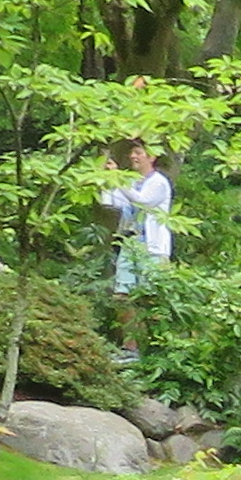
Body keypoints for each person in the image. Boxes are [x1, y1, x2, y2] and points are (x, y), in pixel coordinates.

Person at [102, 138, 174, 347]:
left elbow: (142, 200)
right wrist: (108, 179)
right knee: (122, 296)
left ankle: (156, 345)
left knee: (151, 298)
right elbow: (110, 202)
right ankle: (130, 345)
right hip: (130, 244)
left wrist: (118, 178)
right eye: (132, 153)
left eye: (138, 152)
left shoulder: (159, 182)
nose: (133, 156)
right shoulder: (131, 182)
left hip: (152, 247)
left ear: (151, 156)